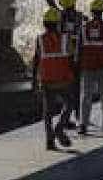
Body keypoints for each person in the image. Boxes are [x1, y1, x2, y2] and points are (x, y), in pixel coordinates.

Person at [44, 0, 83, 128]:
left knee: (64, 88)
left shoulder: (59, 15)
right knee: (75, 87)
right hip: (76, 56)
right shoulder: (80, 17)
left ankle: (66, 117)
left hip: (62, 56)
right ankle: (77, 116)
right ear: (73, 2)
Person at [32, 8, 75, 150]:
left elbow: (36, 60)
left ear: (44, 23)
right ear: (57, 23)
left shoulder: (39, 39)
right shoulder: (65, 38)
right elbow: (71, 59)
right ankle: (60, 127)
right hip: (62, 78)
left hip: (46, 79)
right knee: (69, 104)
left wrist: (34, 80)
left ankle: (49, 141)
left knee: (47, 111)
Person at [78, 0, 103, 133]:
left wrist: (78, 64)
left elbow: (79, 47)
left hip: (87, 66)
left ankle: (83, 124)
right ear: (102, 10)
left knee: (86, 96)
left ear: (91, 11)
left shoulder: (83, 27)